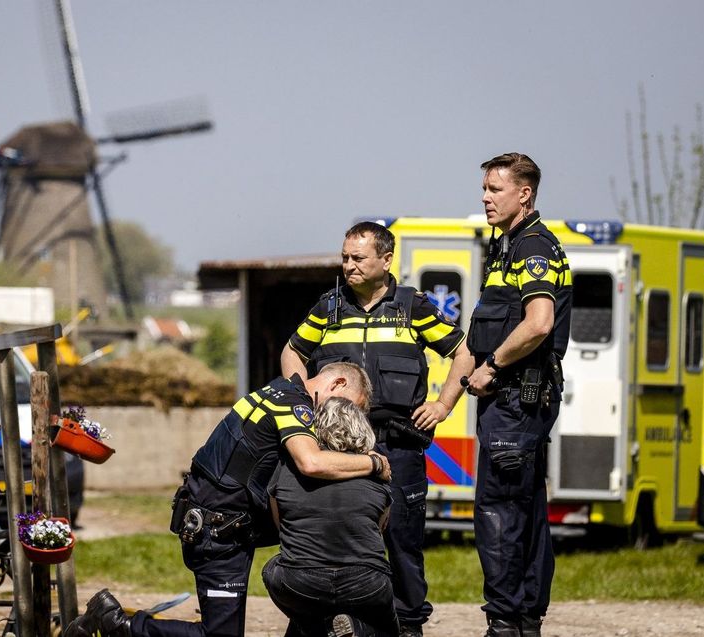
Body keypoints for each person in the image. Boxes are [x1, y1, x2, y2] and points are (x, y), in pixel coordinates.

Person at [66, 362, 389, 637]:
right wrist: (374, 463)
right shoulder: (293, 404)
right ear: (338, 382)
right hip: (216, 532)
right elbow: (312, 463)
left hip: (225, 525)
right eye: (350, 405)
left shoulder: (280, 392)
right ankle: (117, 623)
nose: (344, 415)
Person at [281, 221, 475, 636]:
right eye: (345, 257)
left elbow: (463, 354)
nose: (348, 265)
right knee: (335, 537)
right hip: (340, 451)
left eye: (358, 258)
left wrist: (443, 404)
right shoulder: (328, 308)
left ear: (385, 261)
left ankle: (408, 626)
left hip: (398, 448)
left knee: (403, 543)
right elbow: (292, 351)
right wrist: (302, 402)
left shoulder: (412, 308)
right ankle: (338, 621)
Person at [464, 153, 572, 637]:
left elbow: (539, 322)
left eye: (494, 189)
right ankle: (523, 620)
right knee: (524, 512)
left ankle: (505, 623)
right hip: (512, 406)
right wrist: (446, 401)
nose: (485, 198)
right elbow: (477, 334)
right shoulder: (506, 248)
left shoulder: (532, 247)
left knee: (499, 515)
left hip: (515, 404)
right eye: (484, 189)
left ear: (524, 194)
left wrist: (492, 366)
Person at [262, 396, 399, 637]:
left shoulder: (287, 467)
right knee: (385, 626)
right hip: (366, 581)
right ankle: (355, 627)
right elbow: (378, 530)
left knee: (272, 570)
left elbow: (280, 525)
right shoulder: (379, 474)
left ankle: (319, 627)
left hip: (300, 579)